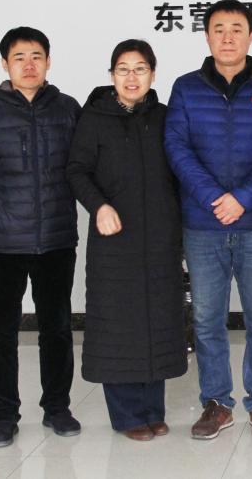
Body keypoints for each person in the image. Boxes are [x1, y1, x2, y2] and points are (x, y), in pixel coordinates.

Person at [165, 0, 252, 440]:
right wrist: (215, 198)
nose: (228, 37)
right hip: (203, 224)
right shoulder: (186, 88)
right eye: (219, 29)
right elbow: (177, 147)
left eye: (237, 28)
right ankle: (216, 402)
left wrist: (244, 199)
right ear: (207, 36)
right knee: (206, 319)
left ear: (251, 35)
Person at [0, 27, 82, 448]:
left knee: (57, 328)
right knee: (0, 333)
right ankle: (3, 415)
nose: (29, 65)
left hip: (56, 238)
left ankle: (57, 407)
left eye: (36, 57)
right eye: (19, 58)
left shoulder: (67, 109)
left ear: (48, 61)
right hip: (2, 242)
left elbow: (84, 165)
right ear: (4, 64)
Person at [66, 39, 187, 441]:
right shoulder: (94, 118)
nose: (131, 77)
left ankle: (153, 410)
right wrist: (98, 206)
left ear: (153, 74)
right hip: (114, 239)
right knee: (119, 324)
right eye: (123, 69)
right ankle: (127, 415)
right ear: (112, 75)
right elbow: (77, 170)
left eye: (140, 69)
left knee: (157, 318)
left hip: (160, 239)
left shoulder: (166, 117)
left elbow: (181, 171)